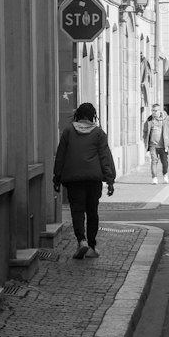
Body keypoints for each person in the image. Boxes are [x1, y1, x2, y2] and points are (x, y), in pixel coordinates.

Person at [53, 102, 116, 259]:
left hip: (73, 179)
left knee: (77, 211)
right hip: (93, 178)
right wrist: (109, 180)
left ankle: (81, 241)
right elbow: (104, 157)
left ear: (78, 115)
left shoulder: (68, 132)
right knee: (92, 212)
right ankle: (92, 246)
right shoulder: (99, 133)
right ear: (93, 115)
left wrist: (57, 177)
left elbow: (60, 156)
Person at [143, 102, 169, 184]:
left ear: (160, 110)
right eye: (153, 110)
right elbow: (145, 131)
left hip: (164, 145)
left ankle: (165, 175)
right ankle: (154, 178)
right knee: (154, 161)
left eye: (156, 111)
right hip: (153, 145)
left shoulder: (166, 118)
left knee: (165, 162)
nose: (154, 112)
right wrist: (145, 140)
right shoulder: (149, 120)